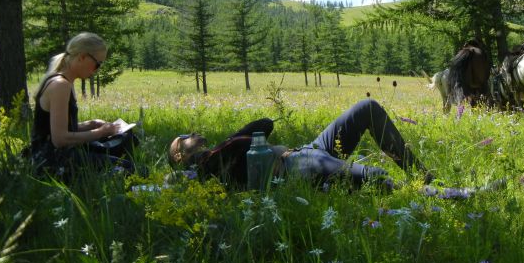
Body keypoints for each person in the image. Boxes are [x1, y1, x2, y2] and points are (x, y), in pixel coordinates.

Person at [168, 98, 432, 190]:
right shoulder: (204, 171)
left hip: (311, 149)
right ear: (179, 156)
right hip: (296, 167)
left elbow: (265, 124)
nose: (191, 132)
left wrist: (229, 138)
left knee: (368, 108)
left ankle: (422, 177)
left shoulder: (221, 148)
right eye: (184, 137)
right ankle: (447, 195)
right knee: (375, 178)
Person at [30, 32, 135, 177]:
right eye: (97, 64)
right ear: (82, 57)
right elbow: (59, 139)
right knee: (128, 168)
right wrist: (101, 132)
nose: (97, 70)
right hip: (51, 161)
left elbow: (55, 128)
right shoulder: (61, 85)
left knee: (122, 140)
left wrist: (92, 124)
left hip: (53, 154)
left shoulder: (64, 81)